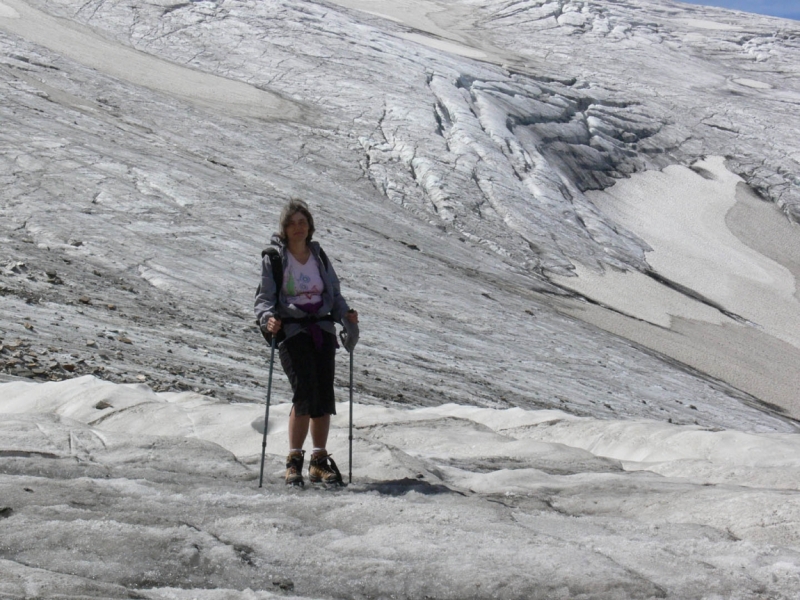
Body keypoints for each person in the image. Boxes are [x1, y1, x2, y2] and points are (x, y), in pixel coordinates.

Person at [254, 198, 358, 486]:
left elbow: (333, 294)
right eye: (292, 223)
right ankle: (295, 460)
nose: (298, 228)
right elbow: (264, 300)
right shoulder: (275, 258)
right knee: (304, 391)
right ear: (284, 229)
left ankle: (318, 461)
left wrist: (344, 315)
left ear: (309, 226)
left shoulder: (318, 255)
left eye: (303, 222)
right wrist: (268, 320)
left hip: (321, 328)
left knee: (322, 393)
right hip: (292, 330)